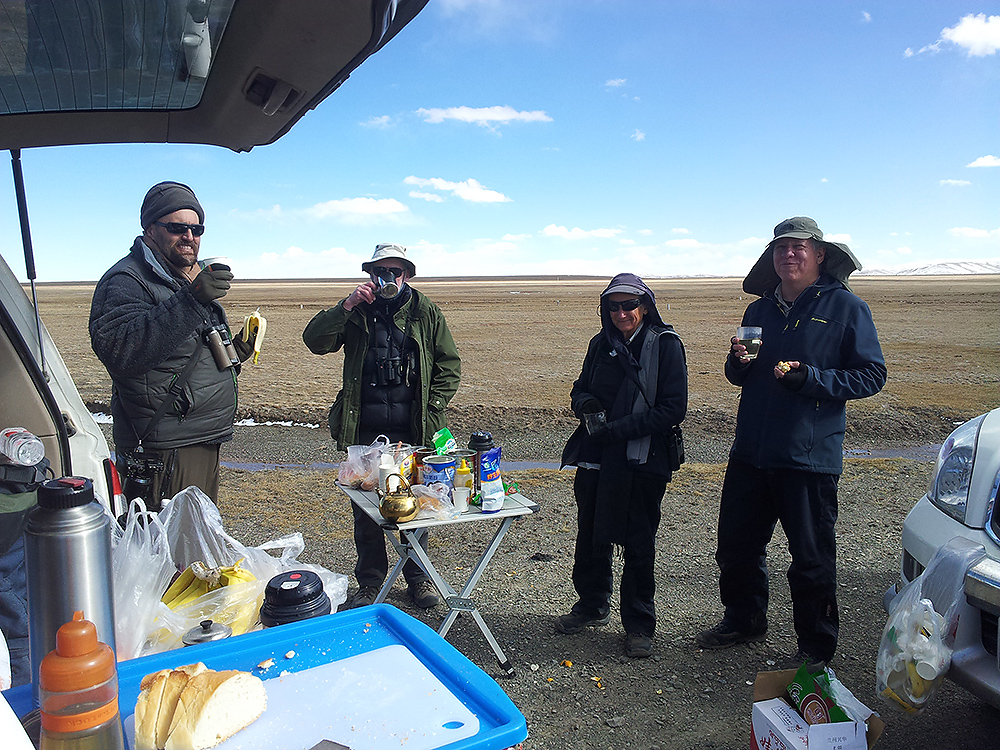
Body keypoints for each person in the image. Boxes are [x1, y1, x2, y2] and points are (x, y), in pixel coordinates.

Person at [696, 216, 887, 667]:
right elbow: (740, 375)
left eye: (799, 247)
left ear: (820, 254)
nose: (790, 255)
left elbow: (872, 374)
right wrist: (738, 364)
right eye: (781, 248)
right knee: (736, 546)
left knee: (811, 558)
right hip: (751, 451)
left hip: (807, 457)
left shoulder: (847, 308)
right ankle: (744, 620)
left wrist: (812, 378)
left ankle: (815, 647)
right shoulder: (759, 310)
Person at [303, 244, 461, 609]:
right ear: (370, 275)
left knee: (419, 504)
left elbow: (449, 365)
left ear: (407, 275)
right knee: (367, 511)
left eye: (396, 272)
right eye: (381, 272)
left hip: (414, 430)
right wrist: (345, 307)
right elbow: (315, 342)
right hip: (365, 432)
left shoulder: (425, 311)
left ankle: (419, 578)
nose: (388, 279)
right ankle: (371, 582)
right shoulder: (356, 311)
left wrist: (433, 406)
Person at [90, 181, 256, 508]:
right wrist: (192, 299)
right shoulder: (127, 280)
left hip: (199, 437)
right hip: (163, 447)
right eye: (177, 227)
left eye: (197, 229)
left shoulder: (181, 277)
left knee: (194, 545)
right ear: (150, 229)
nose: (190, 237)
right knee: (165, 551)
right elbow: (121, 352)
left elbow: (187, 353)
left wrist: (238, 350)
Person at [557, 273, 687, 658]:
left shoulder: (666, 345)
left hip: (642, 457)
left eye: (629, 304)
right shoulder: (600, 344)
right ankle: (592, 604)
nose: (621, 312)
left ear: (645, 306)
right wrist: (586, 406)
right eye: (613, 306)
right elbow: (579, 388)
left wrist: (615, 431)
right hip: (597, 456)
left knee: (638, 540)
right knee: (591, 531)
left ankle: (639, 623)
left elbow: (672, 409)